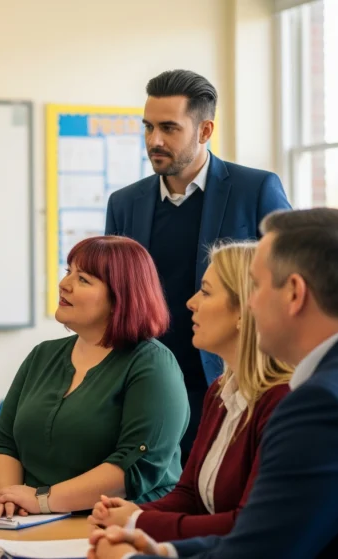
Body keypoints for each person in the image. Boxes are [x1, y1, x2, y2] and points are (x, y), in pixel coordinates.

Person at [90, 208, 338, 558]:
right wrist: (166, 551)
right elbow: (273, 532)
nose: (252, 303)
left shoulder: (324, 403)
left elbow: (259, 548)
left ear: (294, 293)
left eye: (257, 286)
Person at [105, 69, 292, 464]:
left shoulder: (255, 189)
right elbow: (113, 296)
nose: (154, 141)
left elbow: (288, 281)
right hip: (148, 385)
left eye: (169, 128)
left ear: (205, 131)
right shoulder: (124, 204)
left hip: (232, 383)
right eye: (149, 127)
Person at [89, 242, 293, 541]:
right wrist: (128, 513)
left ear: (246, 310)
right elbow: (189, 495)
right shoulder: (220, 392)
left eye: (207, 292)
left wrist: (137, 521)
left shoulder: (282, 401)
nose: (191, 302)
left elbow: (248, 525)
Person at [0, 236, 189, 518]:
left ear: (120, 297)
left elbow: (136, 466)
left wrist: (42, 499)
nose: (64, 284)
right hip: (32, 520)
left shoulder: (152, 364)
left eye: (84, 279)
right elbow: (4, 442)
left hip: (122, 526)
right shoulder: (43, 355)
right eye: (68, 272)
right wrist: (10, 499)